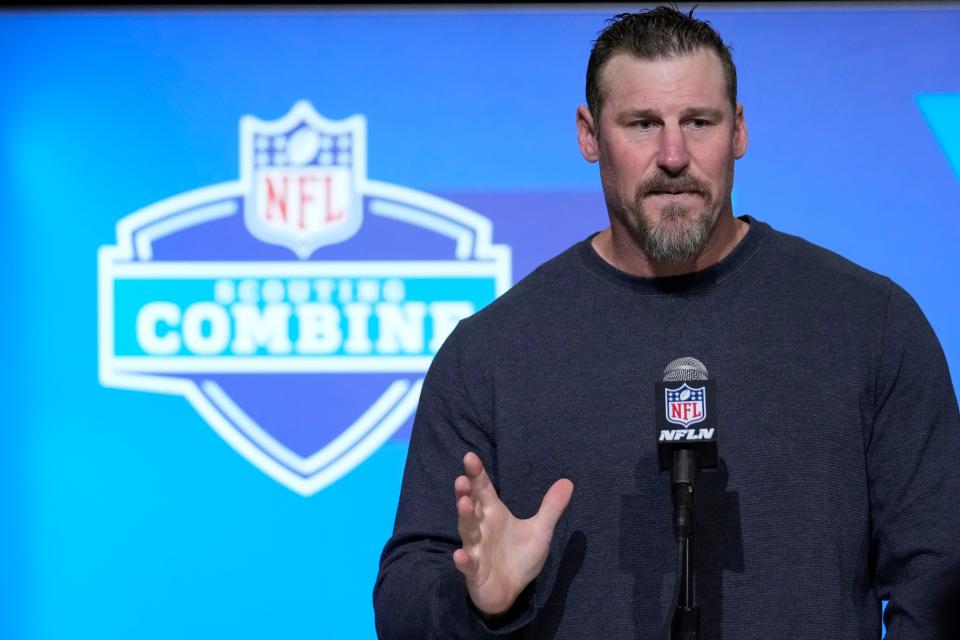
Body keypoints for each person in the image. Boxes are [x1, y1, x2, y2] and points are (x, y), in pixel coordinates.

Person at [373, 6, 960, 639]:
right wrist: (481, 604)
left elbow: (941, 573)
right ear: (589, 133)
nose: (673, 155)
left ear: (738, 130)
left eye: (698, 122)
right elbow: (406, 595)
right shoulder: (489, 352)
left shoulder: (868, 325)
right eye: (643, 124)